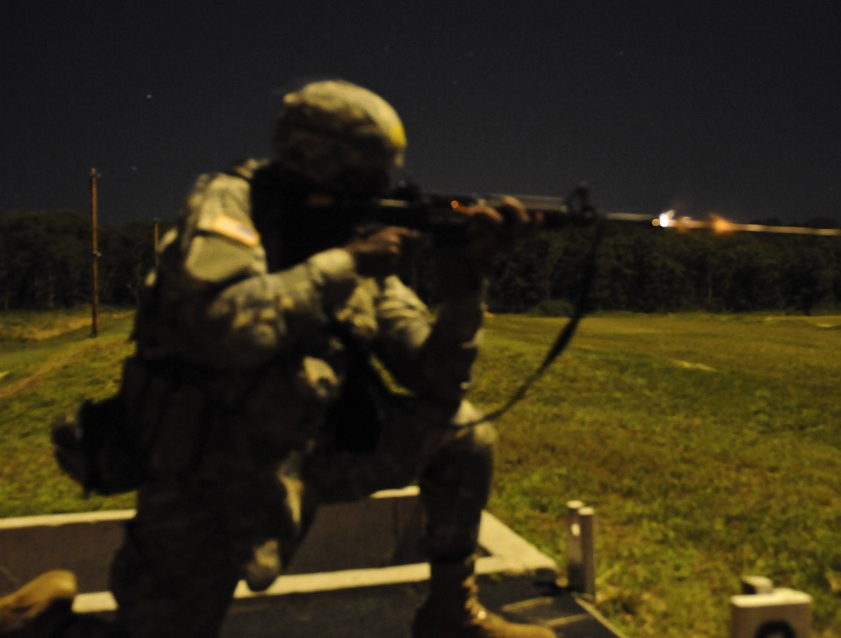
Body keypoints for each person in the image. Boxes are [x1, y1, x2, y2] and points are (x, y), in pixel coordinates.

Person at [0, 80, 556, 638]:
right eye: (367, 172)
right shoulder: (231, 208)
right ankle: (35, 623)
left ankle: (451, 615)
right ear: (314, 159)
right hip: (205, 475)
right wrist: (344, 264)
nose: (382, 188)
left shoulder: (346, 239)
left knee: (462, 434)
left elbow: (438, 381)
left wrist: (464, 282)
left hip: (305, 459)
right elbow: (226, 328)